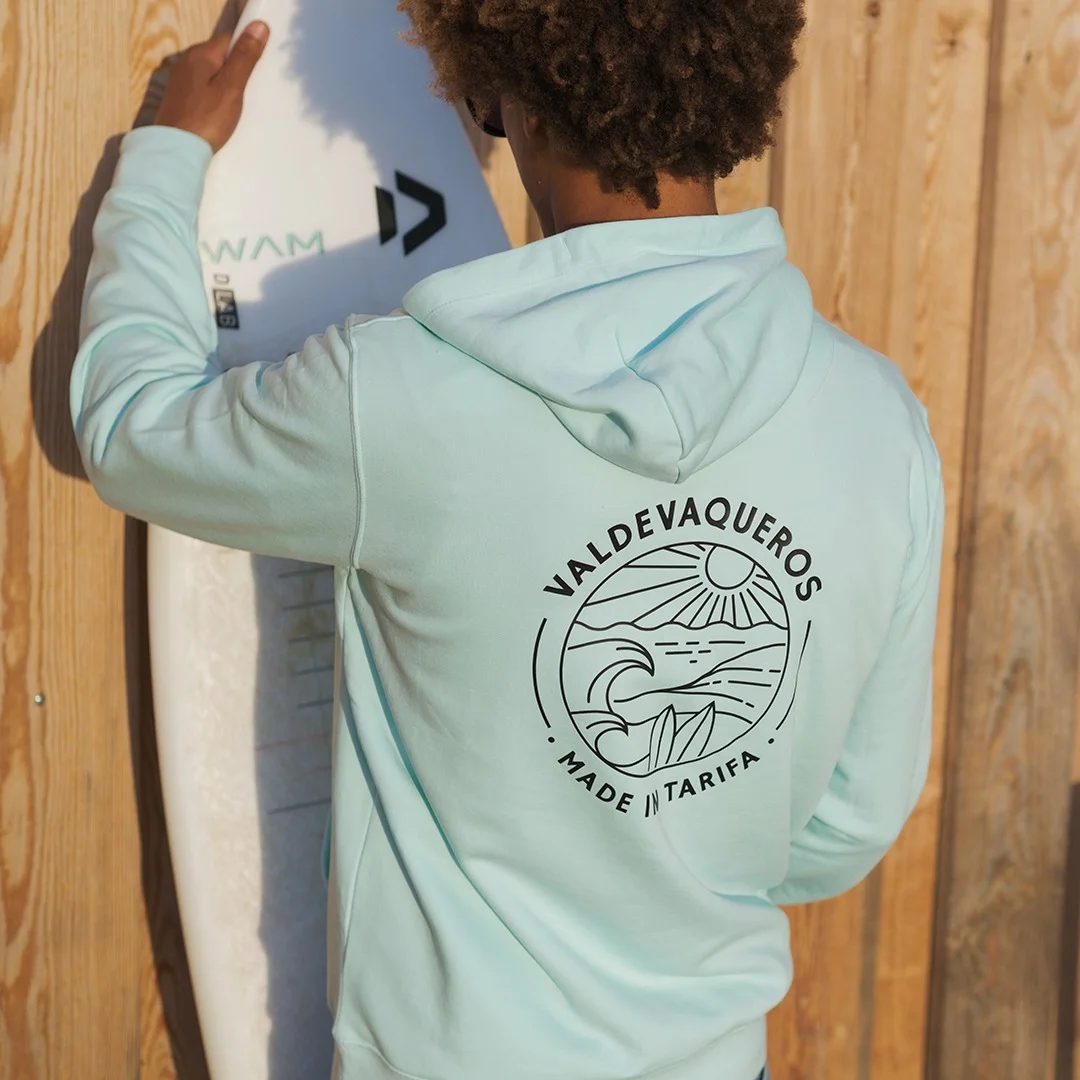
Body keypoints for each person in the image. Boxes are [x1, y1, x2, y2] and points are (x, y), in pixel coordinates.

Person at [71, 3, 944, 1078]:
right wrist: (658, 848)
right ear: (740, 82)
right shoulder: (877, 421)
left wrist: (167, 157)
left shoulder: (398, 401)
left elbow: (126, 431)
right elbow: (850, 823)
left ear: (504, 89)